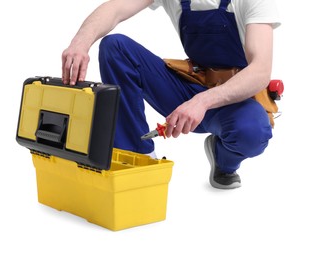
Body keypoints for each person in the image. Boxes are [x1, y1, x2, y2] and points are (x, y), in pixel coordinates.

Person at [61, 0, 281, 189]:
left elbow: (260, 70)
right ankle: (136, 156)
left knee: (252, 132)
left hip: (233, 99)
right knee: (115, 47)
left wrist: (202, 102)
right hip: (190, 86)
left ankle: (224, 162)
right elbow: (115, 8)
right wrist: (80, 43)